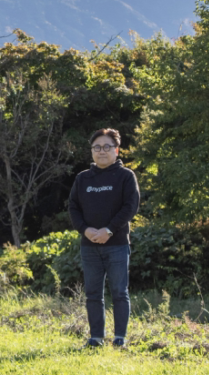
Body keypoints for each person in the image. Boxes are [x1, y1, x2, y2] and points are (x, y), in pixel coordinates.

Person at [68, 127, 140, 348]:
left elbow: (130, 207)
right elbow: (73, 207)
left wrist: (108, 230)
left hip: (117, 244)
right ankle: (96, 338)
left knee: (119, 292)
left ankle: (120, 338)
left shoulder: (126, 176)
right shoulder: (82, 179)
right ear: (92, 151)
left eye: (107, 147)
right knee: (92, 294)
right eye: (97, 147)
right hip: (89, 246)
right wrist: (85, 230)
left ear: (116, 150)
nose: (101, 151)